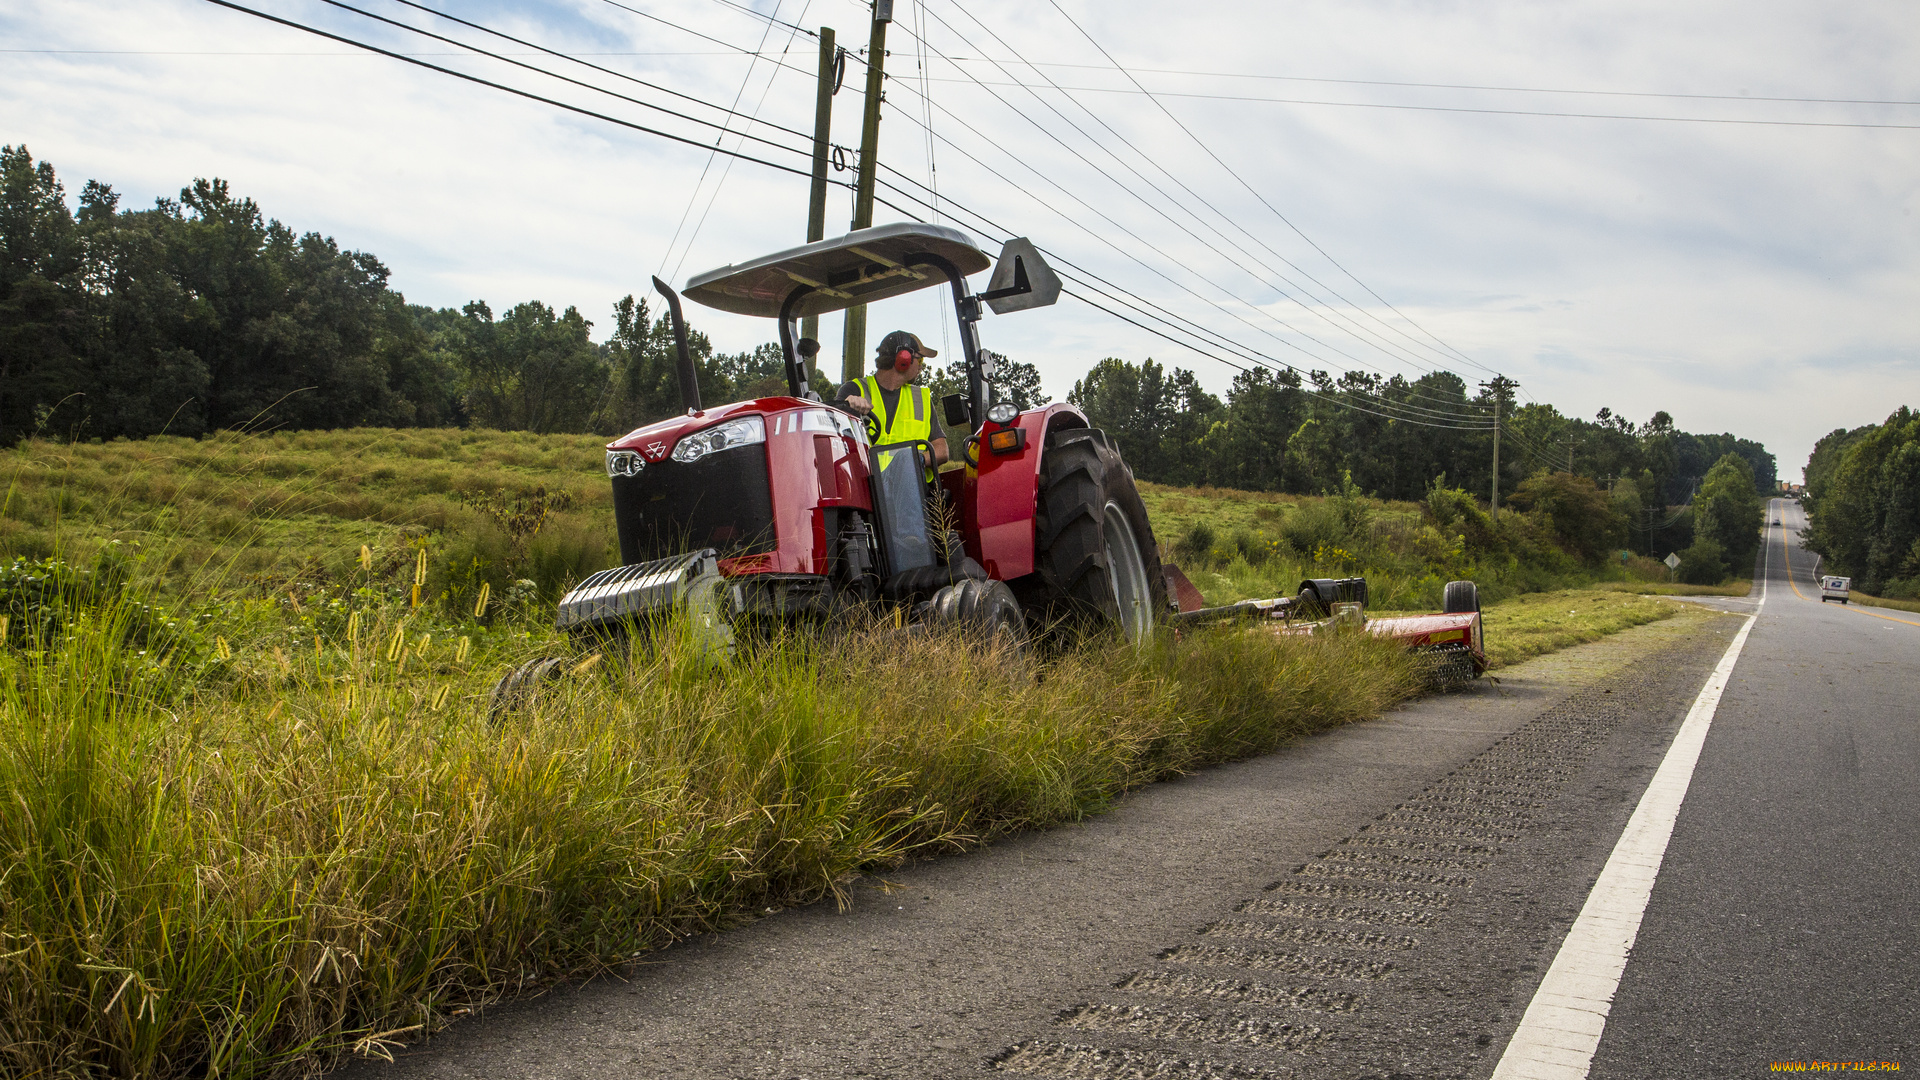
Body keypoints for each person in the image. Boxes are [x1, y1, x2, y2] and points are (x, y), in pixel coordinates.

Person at [837, 330, 948, 468]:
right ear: (904, 359)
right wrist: (846, 406)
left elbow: (942, 450)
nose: (921, 366)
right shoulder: (854, 390)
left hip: (911, 487)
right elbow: (836, 442)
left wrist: (917, 461)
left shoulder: (920, 399)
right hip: (867, 485)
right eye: (920, 359)